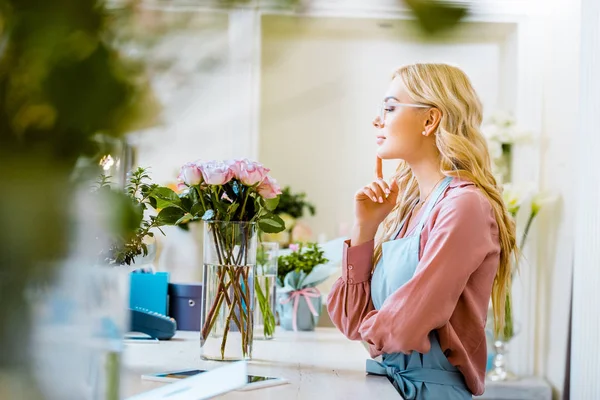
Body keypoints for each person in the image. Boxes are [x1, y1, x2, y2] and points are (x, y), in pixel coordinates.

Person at [327, 63, 517, 399]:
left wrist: (365, 329)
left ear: (430, 120)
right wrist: (365, 228)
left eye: (389, 107)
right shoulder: (409, 210)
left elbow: (405, 324)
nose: (377, 120)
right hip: (391, 386)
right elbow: (351, 316)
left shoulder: (464, 206)